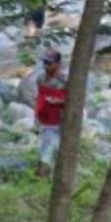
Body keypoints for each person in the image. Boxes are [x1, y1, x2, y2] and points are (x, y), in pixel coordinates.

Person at [35, 48, 68, 179]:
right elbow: (40, 98)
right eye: (44, 62)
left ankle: (43, 174)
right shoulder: (41, 79)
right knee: (45, 146)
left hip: (59, 120)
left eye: (49, 63)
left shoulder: (64, 81)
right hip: (44, 119)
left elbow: (74, 101)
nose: (46, 66)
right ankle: (45, 175)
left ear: (57, 64)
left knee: (50, 148)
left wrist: (59, 101)